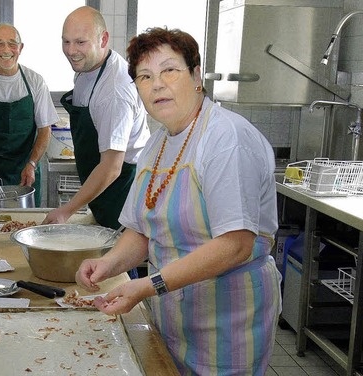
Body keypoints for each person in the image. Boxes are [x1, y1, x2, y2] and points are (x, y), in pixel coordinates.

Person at [75, 27, 282, 375]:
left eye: (169, 70)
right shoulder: (157, 145)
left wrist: (149, 284)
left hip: (228, 323)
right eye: (145, 76)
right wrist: (108, 265)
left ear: (196, 75)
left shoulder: (225, 138)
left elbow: (235, 244)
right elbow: (142, 231)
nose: (157, 84)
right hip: (174, 316)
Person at [43, 6, 150, 231]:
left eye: (80, 42)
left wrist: (67, 210)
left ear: (103, 39)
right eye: (66, 41)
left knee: (116, 261)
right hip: (104, 192)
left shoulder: (114, 91)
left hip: (123, 194)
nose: (71, 50)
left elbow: (111, 167)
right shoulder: (87, 68)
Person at [0, 24, 59, 207]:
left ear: (21, 48)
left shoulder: (35, 82)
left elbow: (45, 130)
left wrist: (32, 163)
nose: (6, 50)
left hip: (25, 170)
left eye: (12, 44)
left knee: (25, 227)